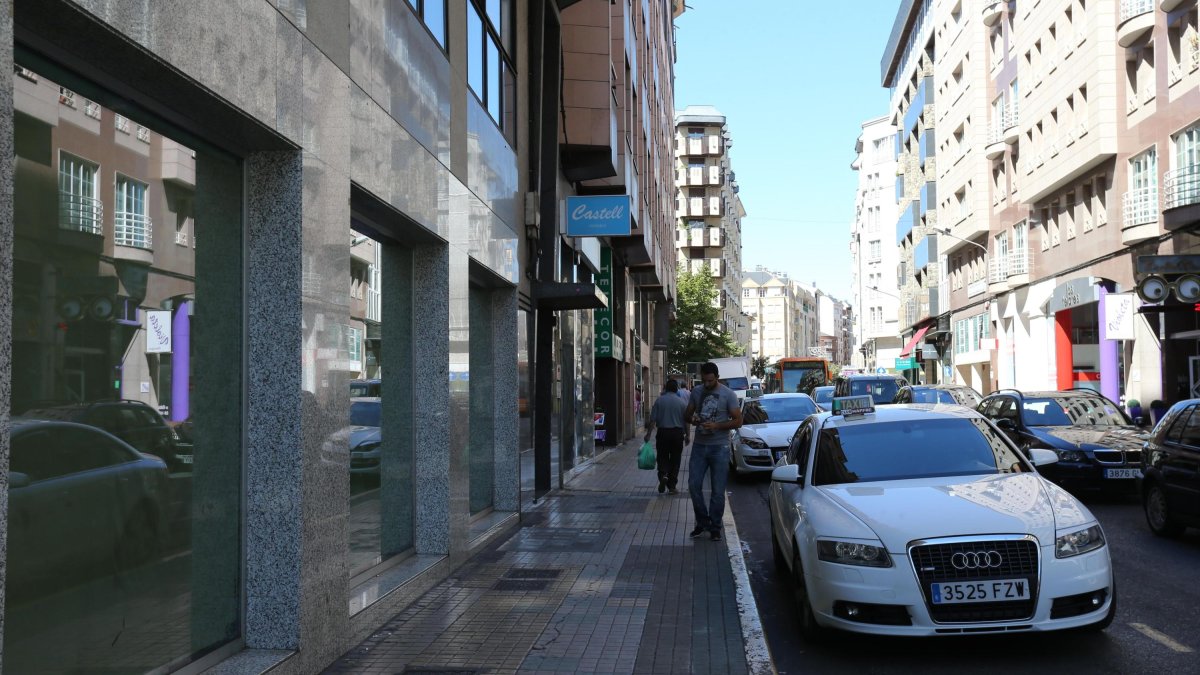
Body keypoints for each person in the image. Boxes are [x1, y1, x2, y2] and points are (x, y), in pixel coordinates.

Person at [684, 361, 742, 541]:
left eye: (710, 381)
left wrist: (717, 425)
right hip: (700, 446)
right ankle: (702, 522)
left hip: (720, 447)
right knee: (694, 486)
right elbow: (686, 414)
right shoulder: (696, 392)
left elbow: (738, 421)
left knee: (718, 491)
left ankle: (715, 526)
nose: (707, 385)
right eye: (704, 381)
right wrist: (692, 419)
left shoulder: (728, 394)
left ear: (717, 377)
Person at [645, 380, 690, 494]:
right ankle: (672, 486)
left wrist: (648, 434)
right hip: (677, 433)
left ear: (665, 388)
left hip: (663, 433)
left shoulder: (659, 401)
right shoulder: (681, 403)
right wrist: (688, 435)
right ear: (676, 389)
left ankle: (663, 475)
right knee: (676, 459)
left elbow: (652, 420)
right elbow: (686, 421)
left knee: (662, 456)